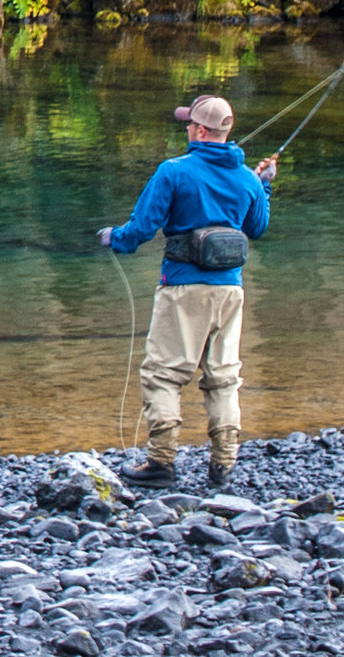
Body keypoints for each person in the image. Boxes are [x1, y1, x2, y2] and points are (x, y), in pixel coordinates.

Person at [97, 94, 277, 488]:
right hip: (231, 292)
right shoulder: (247, 177)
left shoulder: (173, 172)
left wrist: (115, 239)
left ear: (199, 130)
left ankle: (161, 463)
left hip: (182, 289)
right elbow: (257, 228)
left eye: (188, 124)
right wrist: (263, 187)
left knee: (163, 375)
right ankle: (223, 466)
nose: (186, 129)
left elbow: (143, 227)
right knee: (224, 378)